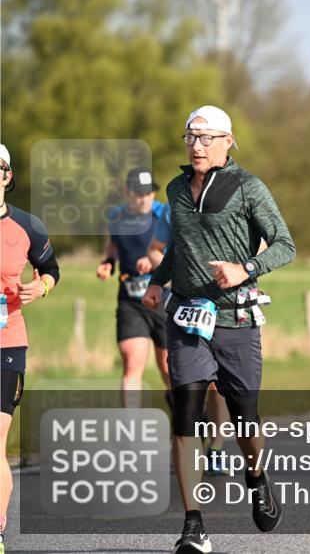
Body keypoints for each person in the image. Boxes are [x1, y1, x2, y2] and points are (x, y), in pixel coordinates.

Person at [142, 106, 296, 554]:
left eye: (206, 138)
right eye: (191, 137)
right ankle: (193, 524)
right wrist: (158, 280)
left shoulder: (248, 187)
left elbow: (286, 245)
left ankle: (256, 475)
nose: (197, 145)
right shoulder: (175, 188)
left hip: (236, 319)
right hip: (188, 319)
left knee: (245, 415)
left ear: (228, 141)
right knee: (186, 415)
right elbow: (181, 244)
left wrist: (245, 269)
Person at [0, 143, 60, 554]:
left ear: (7, 175)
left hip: (7, 344)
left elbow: (51, 268)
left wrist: (41, 287)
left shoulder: (27, 226)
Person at [147, 196, 232, 477]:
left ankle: (216, 448)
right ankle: (189, 441)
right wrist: (172, 277)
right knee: (186, 381)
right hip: (185, 305)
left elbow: (262, 245)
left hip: (224, 302)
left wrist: (239, 271)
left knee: (217, 385)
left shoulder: (236, 199)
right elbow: (155, 249)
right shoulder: (176, 205)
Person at [96, 169, 170, 406]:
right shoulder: (117, 217)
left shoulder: (165, 214)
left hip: (164, 299)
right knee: (132, 366)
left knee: (169, 369)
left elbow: (180, 248)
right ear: (127, 192)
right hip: (131, 300)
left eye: (149, 192)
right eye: (139, 193)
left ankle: (185, 419)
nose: (144, 198)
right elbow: (114, 244)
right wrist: (108, 262)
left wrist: (156, 259)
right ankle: (131, 425)